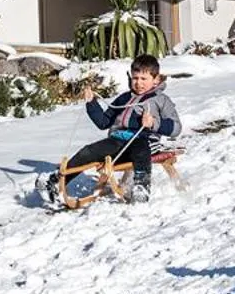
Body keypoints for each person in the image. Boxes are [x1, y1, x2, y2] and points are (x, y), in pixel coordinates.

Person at [46, 54, 181, 206]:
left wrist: (154, 123)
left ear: (156, 79)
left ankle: (141, 189)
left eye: (144, 79)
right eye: (136, 78)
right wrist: (92, 103)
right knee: (89, 151)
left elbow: (176, 128)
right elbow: (104, 122)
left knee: (140, 148)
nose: (139, 83)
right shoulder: (124, 99)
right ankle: (58, 181)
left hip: (144, 143)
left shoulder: (161, 100)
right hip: (117, 142)